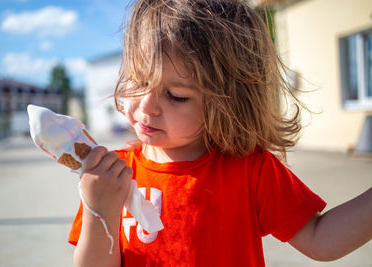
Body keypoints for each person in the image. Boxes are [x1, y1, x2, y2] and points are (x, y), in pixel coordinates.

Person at [69, 0, 372, 266]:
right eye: (138, 80)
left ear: (227, 103)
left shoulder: (250, 171)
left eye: (176, 95)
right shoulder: (113, 175)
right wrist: (99, 210)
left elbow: (321, 240)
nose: (147, 106)